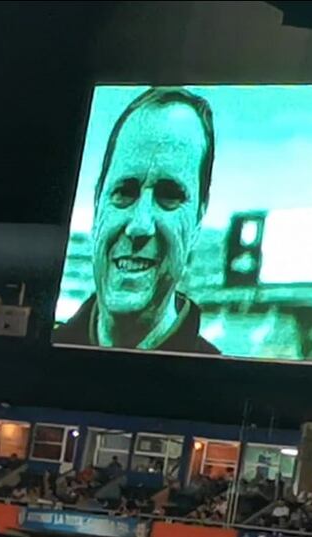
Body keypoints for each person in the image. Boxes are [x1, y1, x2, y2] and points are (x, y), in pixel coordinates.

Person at [53, 86, 220, 354]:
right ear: (97, 204)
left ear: (199, 217)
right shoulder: (31, 363)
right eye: (124, 192)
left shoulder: (222, 388)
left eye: (169, 195)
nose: (140, 225)